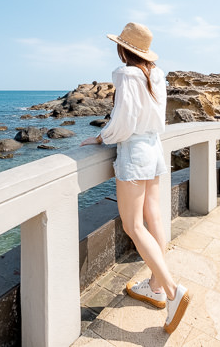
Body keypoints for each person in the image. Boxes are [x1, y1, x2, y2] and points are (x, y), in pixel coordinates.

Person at [80, 22, 190, 334]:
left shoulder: (126, 74)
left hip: (134, 152)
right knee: (154, 216)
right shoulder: (156, 74)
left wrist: (102, 138)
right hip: (154, 149)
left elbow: (124, 120)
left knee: (133, 225)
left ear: (123, 49)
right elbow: (155, 118)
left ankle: (171, 290)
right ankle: (154, 286)